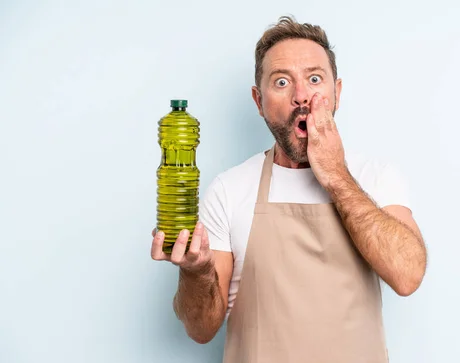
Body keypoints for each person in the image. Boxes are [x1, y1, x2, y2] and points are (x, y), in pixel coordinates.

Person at [151, 15, 427, 363]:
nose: (301, 96)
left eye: (314, 79)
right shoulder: (230, 189)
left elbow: (408, 276)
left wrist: (337, 176)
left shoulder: (375, 176)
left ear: (336, 93)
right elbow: (200, 328)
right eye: (281, 82)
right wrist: (196, 270)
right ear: (258, 101)